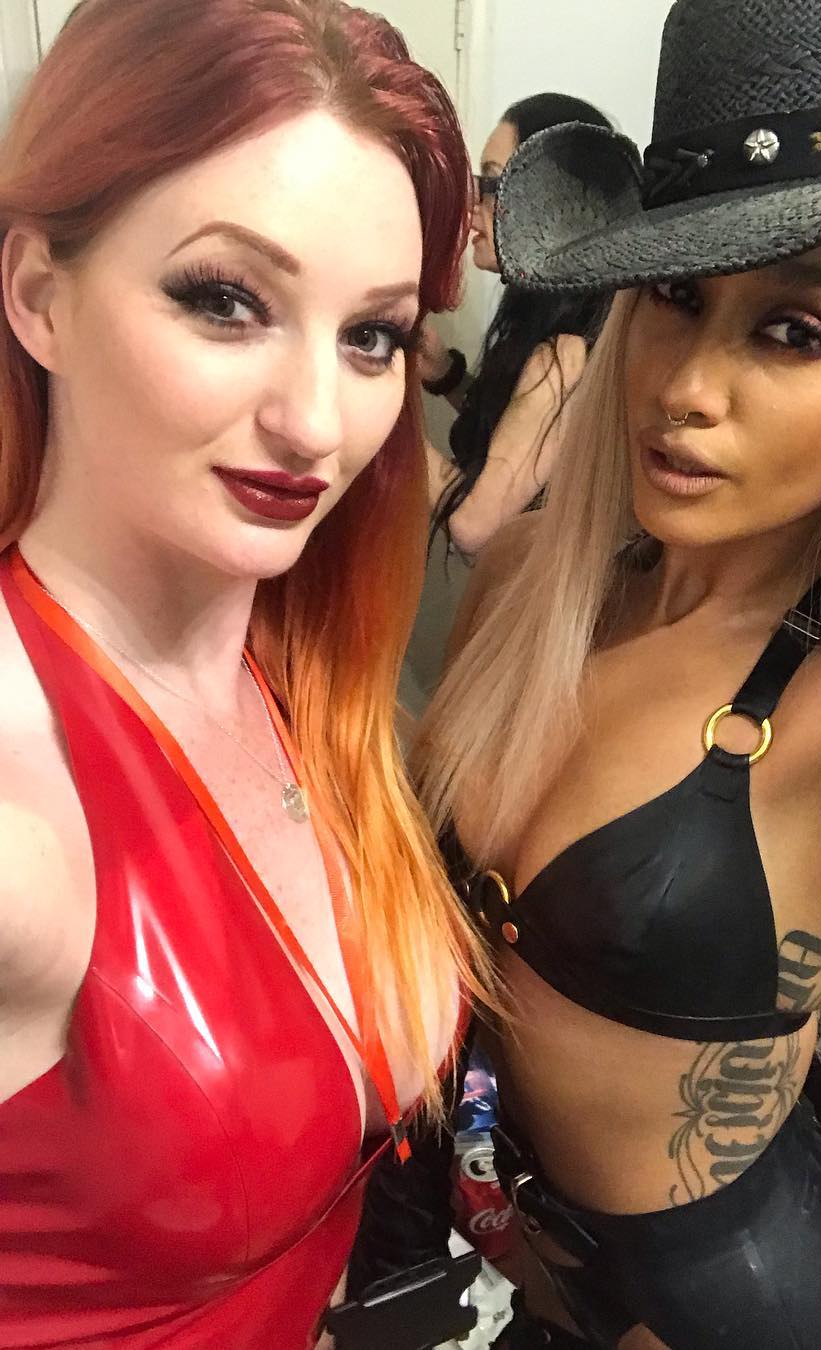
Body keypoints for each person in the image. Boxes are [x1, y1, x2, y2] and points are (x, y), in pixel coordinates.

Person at [406, 0, 821, 1345]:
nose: (688, 388)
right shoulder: (537, 579)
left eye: (795, 332)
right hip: (508, 1261)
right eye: (678, 297)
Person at [0, 1, 491, 1346]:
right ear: (38, 295)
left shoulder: (297, 665)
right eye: (226, 300)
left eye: (372, 336)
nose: (316, 422)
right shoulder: (21, 822)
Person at [419, 95, 614, 555]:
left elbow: (474, 526)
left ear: (552, 200)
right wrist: (445, 374)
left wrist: (381, 412)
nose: (472, 207)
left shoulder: (566, 355)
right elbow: (516, 434)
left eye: (492, 182)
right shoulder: (556, 316)